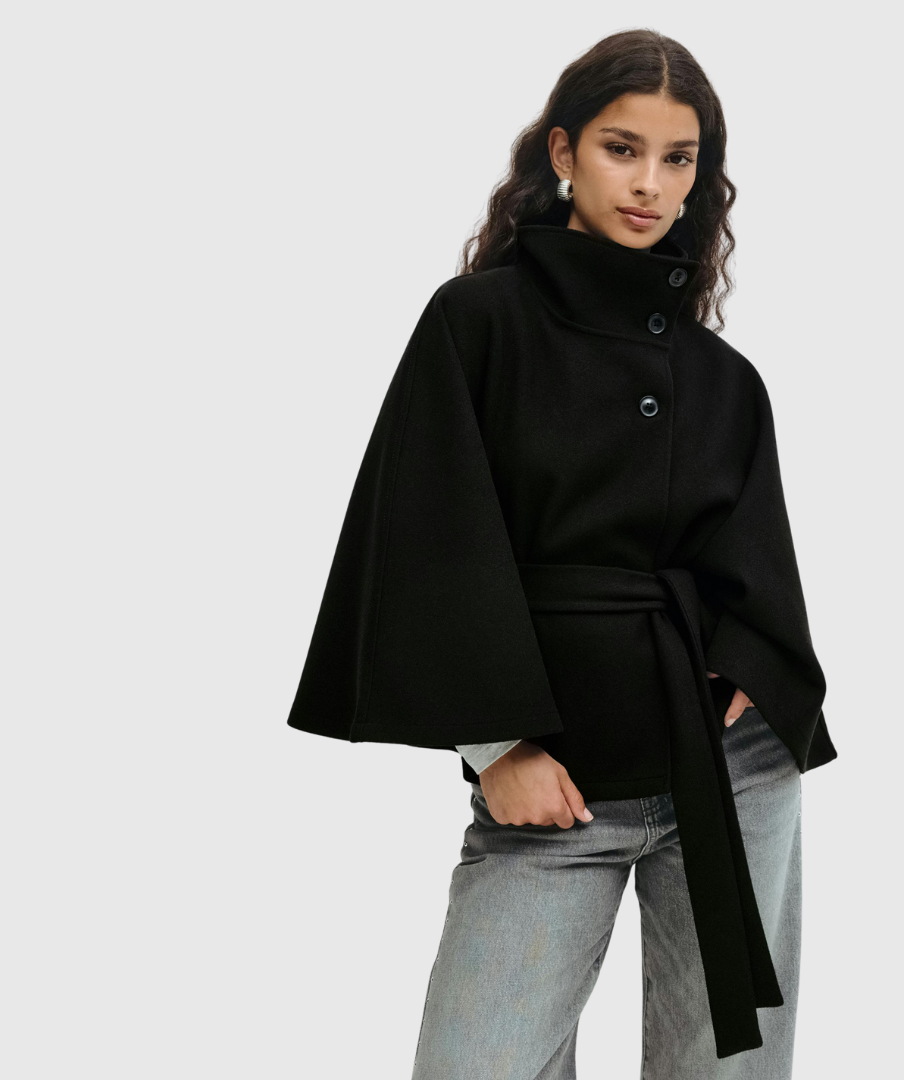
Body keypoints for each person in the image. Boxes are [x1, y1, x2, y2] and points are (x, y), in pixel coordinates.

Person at [285, 28, 837, 1080]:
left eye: (679, 158)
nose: (650, 183)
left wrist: (752, 672)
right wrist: (497, 746)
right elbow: (426, 535)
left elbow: (758, 577)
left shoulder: (726, 378)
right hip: (557, 779)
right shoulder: (477, 324)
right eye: (623, 149)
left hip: (732, 778)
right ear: (563, 152)